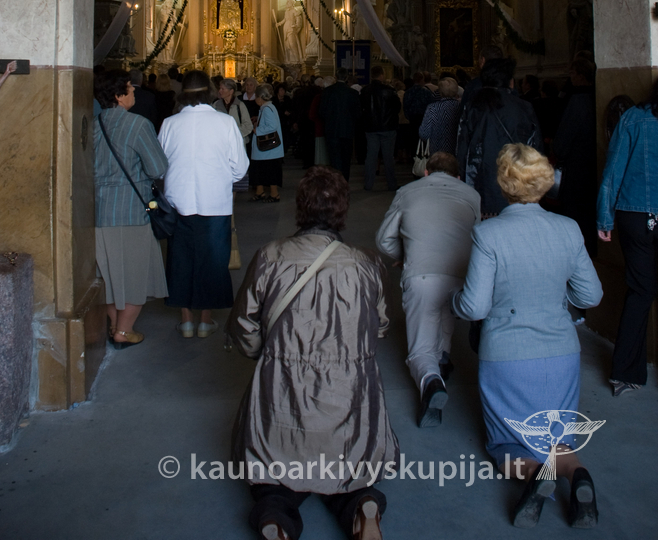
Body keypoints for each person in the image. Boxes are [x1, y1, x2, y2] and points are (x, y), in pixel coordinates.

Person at [227, 165, 398, 540]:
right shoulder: (367, 263)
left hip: (284, 389)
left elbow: (244, 327)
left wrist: (269, 356)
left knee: (273, 475)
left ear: (300, 208)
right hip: (349, 391)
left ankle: (275, 516)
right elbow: (380, 326)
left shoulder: (270, 256)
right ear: (343, 210)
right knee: (351, 468)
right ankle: (362, 504)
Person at [453, 144, 603, 528]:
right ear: (544, 182)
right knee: (557, 439)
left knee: (508, 444)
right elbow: (591, 295)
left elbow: (474, 307)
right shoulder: (568, 229)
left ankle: (537, 476)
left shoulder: (488, 233)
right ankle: (577, 474)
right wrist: (556, 297)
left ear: (503, 184)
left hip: (508, 355)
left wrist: (453, 298)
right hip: (561, 353)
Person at [376, 152, 480, 427]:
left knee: (421, 343)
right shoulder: (472, 195)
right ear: (458, 176)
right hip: (460, 275)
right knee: (444, 310)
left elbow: (383, 239)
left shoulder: (407, 192)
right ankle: (442, 358)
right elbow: (479, 237)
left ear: (426, 173)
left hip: (421, 273)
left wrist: (404, 255)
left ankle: (430, 381)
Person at [158, 71, 249, 338]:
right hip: (215, 202)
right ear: (210, 91)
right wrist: (220, 178)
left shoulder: (170, 124)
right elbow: (240, 167)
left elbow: (159, 167)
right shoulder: (225, 122)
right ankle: (205, 321)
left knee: (180, 259)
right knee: (213, 260)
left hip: (178, 202)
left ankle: (186, 320)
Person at [93, 70, 169, 349]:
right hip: (131, 209)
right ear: (118, 95)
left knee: (109, 274)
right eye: (130, 88)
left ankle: (116, 326)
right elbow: (157, 167)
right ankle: (123, 331)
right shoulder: (138, 124)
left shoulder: (93, 124)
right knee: (136, 272)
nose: (135, 91)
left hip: (98, 211)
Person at [597, 77, 658, 396]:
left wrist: (604, 217)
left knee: (640, 291)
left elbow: (613, 172)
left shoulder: (633, 118)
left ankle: (625, 373)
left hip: (635, 215)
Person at [456, 58, 543, 216]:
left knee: (486, 223)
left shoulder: (473, 107)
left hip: (481, 179)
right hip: (516, 179)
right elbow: (535, 147)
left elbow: (463, 146)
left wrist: (463, 176)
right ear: (510, 81)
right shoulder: (524, 107)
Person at [553, 57, 597, 259]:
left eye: (572, 73)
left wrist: (558, 151)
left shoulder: (578, 100)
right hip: (594, 162)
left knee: (576, 212)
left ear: (580, 75)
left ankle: (576, 253)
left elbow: (565, 136)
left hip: (577, 164)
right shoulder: (597, 94)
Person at [360, 66, 401, 192]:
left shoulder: (365, 91)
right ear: (382, 75)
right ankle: (391, 184)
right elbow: (397, 108)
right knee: (388, 157)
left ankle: (368, 184)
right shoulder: (389, 90)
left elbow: (362, 108)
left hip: (371, 127)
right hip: (388, 127)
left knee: (371, 156)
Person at [318, 67, 361, 181]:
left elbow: (321, 112)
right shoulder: (353, 93)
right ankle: (344, 182)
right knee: (346, 160)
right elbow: (358, 113)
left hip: (332, 130)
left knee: (334, 160)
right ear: (347, 78)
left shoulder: (327, 91)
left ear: (336, 77)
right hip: (347, 131)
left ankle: (336, 183)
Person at [214, 78, 253, 195]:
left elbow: (248, 125)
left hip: (236, 145)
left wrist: (233, 134)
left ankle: (231, 203)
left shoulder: (240, 106)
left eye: (223, 89)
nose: (220, 91)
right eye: (220, 88)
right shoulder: (215, 105)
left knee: (234, 177)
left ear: (231, 91)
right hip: (220, 145)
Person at [250, 83, 284, 203]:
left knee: (268, 171)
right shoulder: (267, 107)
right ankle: (260, 192)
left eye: (256, 96)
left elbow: (272, 126)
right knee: (260, 170)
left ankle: (274, 194)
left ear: (261, 97)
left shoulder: (266, 109)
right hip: (266, 150)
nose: (255, 99)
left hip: (267, 149)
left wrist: (257, 130)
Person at [418, 77, 461, 156]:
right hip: (457, 151)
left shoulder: (433, 108)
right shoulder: (461, 107)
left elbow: (424, 133)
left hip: (437, 152)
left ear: (440, 91)